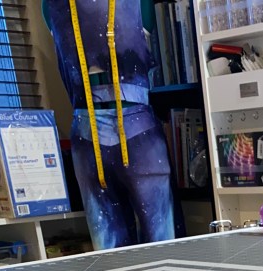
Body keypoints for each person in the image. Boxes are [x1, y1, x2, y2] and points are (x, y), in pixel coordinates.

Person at [42, 0, 178, 250]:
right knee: (156, 241)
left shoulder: (51, 4)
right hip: (126, 131)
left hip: (98, 132)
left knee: (116, 242)